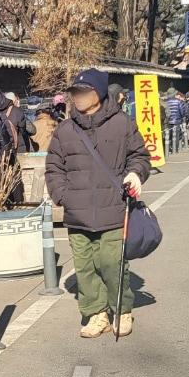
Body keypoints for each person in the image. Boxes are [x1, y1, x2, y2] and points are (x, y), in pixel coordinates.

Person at [45, 69, 150, 338]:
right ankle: (95, 313)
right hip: (77, 212)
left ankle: (122, 309)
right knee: (85, 266)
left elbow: (139, 156)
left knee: (112, 262)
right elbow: (54, 167)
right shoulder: (65, 130)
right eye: (74, 93)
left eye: (82, 92)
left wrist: (135, 173)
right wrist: (62, 195)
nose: (77, 98)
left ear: (99, 93)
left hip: (113, 207)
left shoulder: (122, 124)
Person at [161, 88, 186, 154]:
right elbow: (182, 112)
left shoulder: (165, 102)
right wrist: (182, 117)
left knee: (168, 135)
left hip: (168, 121)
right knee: (176, 135)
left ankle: (168, 148)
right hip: (177, 121)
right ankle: (175, 149)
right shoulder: (179, 101)